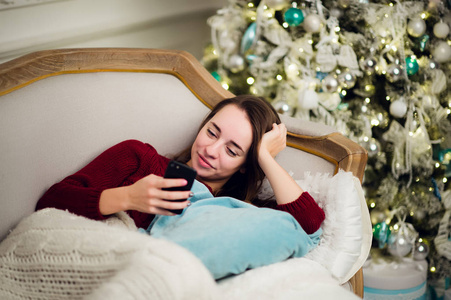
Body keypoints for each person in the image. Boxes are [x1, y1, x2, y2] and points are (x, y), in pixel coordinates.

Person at [36, 95, 325, 234]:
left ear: (246, 166)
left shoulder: (238, 211)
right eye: (212, 131)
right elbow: (50, 202)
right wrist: (126, 197)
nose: (211, 150)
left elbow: (309, 224)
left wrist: (265, 158)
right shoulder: (138, 158)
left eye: (233, 150)